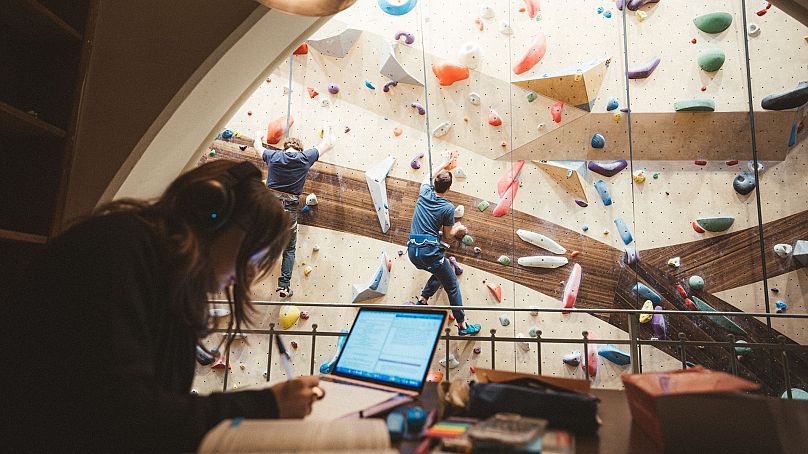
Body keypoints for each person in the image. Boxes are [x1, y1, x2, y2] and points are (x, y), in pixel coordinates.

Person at [6, 160, 323, 453]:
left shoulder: (160, 277)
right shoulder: (115, 251)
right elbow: (126, 420)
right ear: (211, 216)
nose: (250, 274)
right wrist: (266, 406)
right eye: (252, 255)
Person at [255, 127, 336, 299]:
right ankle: (284, 286)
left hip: (269, 207)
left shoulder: (273, 156)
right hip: (289, 209)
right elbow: (328, 143)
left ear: (285, 148)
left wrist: (259, 135)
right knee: (289, 249)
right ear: (299, 148)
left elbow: (257, 146)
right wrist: (328, 127)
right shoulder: (305, 158)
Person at [407, 154, 481, 336]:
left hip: (413, 251)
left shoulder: (424, 192)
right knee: (452, 285)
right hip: (429, 252)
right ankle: (463, 326)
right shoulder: (447, 208)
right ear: (449, 188)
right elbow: (448, 236)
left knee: (441, 270)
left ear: (434, 184)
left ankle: (423, 299)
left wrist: (443, 164)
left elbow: (427, 176)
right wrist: (458, 228)